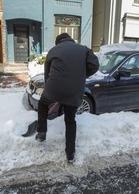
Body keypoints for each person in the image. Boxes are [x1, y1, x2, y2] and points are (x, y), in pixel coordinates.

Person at [35, 33, 99, 163]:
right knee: (70, 120)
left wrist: (53, 88)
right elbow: (95, 65)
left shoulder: (53, 50)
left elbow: (47, 75)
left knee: (42, 104)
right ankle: (70, 154)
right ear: (71, 39)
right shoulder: (84, 49)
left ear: (58, 42)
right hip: (74, 90)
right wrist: (82, 75)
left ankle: (42, 132)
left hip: (54, 88)